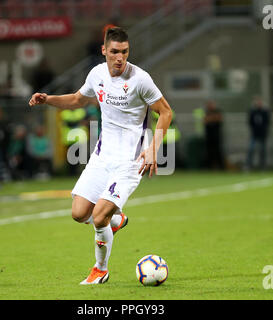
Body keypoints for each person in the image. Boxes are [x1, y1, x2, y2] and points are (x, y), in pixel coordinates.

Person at [29, 27, 173, 285]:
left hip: (129, 162)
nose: (120, 58)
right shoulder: (96, 74)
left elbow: (165, 112)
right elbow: (77, 100)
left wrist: (153, 148)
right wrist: (47, 99)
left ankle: (100, 269)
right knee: (78, 213)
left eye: (125, 52)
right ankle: (116, 220)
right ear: (104, 50)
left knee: (98, 217)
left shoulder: (140, 79)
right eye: (115, 52)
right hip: (101, 157)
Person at [246, 96, 270, 170]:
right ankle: (248, 165)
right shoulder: (253, 111)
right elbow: (250, 122)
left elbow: (267, 122)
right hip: (254, 133)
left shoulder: (264, 111)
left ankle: (262, 165)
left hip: (262, 134)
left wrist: (264, 130)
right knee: (251, 149)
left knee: (262, 150)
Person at [204, 100, 224, 169]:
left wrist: (211, 119)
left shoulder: (217, 111)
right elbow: (205, 120)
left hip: (216, 135)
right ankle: (210, 166)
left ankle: (221, 166)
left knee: (218, 151)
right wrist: (213, 118)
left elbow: (219, 118)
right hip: (209, 136)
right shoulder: (207, 112)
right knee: (209, 151)